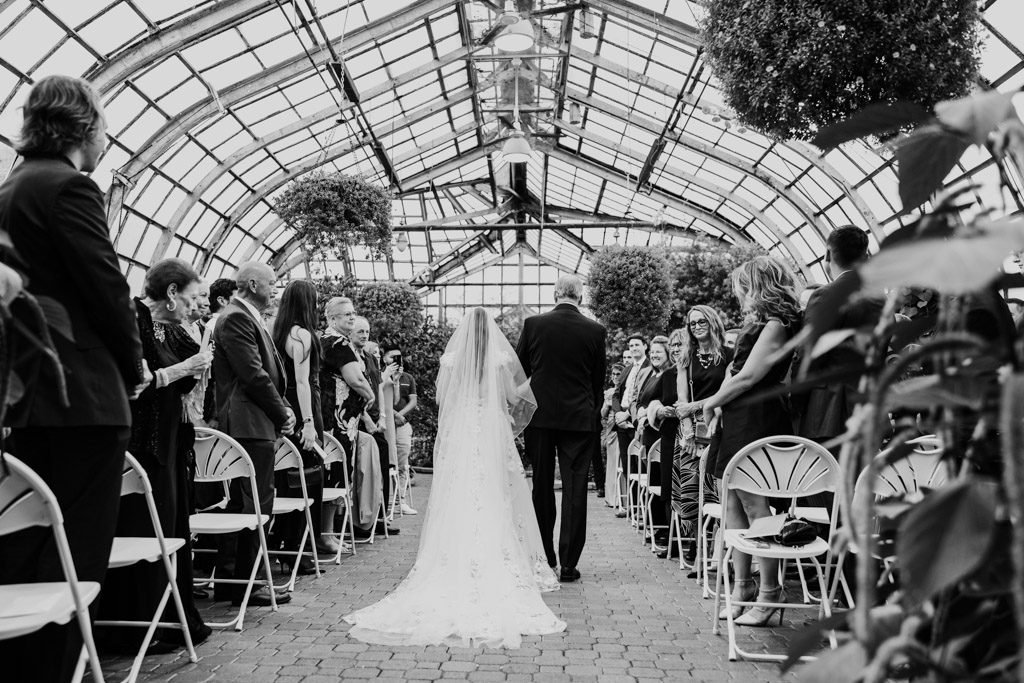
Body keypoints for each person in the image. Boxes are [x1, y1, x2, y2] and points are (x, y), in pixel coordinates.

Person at [0, 74, 151, 683]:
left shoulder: (10, 189)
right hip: (84, 399)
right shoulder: (70, 188)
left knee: (26, 541)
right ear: (85, 126)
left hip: (28, 394)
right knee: (74, 555)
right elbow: (107, 288)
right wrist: (134, 364)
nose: (108, 138)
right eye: (106, 125)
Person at [344, 307, 565, 647]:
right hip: (489, 435)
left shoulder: (452, 360)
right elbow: (512, 398)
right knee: (493, 495)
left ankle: (452, 560)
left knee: (459, 494)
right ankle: (494, 561)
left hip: (463, 433)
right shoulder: (498, 360)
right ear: (490, 332)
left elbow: (444, 399)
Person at [97, 258, 213, 652]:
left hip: (168, 441)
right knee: (146, 527)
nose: (196, 304)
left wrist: (191, 366)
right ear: (171, 293)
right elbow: (141, 383)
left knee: (171, 527)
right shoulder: (135, 318)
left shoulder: (170, 328)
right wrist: (187, 368)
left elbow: (183, 367)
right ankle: (136, 625)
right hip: (143, 444)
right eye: (192, 296)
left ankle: (170, 618)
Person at [689, 255, 803, 626]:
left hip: (758, 415)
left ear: (758, 285)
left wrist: (706, 403)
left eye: (743, 287)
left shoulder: (777, 323)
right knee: (732, 504)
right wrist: (719, 407)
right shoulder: (759, 323)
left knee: (757, 507)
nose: (740, 296)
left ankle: (770, 592)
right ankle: (742, 587)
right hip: (737, 417)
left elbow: (749, 377)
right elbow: (733, 374)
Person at [212, 261, 295, 606]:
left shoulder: (246, 316)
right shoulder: (235, 317)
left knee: (251, 502)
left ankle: (238, 582)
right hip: (248, 422)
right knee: (254, 504)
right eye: (271, 283)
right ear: (251, 284)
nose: (275, 288)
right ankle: (246, 583)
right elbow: (253, 375)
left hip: (256, 421)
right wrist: (282, 411)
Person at [516, 275, 607, 582]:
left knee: (541, 486)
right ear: (580, 297)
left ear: (555, 294)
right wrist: (591, 414)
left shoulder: (534, 325)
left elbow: (519, 373)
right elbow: (598, 382)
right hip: (579, 419)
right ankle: (568, 564)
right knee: (575, 490)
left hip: (539, 418)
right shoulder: (595, 330)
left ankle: (545, 558)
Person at [655, 309, 732, 563]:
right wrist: (687, 431)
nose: (697, 326)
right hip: (691, 431)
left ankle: (718, 549)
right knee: (692, 490)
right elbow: (681, 401)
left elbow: (729, 392)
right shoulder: (686, 358)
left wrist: (695, 406)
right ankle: (698, 548)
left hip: (721, 427)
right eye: (692, 323)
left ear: (712, 322)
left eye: (702, 321)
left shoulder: (729, 356)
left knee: (716, 490)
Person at [797, 226, 884, 444]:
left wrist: (795, 399)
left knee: (828, 476)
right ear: (865, 257)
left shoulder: (825, 295)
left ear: (827, 254)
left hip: (829, 412)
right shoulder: (880, 299)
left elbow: (809, 355)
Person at [271, 280, 334, 568]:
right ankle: (297, 549)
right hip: (304, 407)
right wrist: (309, 422)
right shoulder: (302, 335)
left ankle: (285, 544)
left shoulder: (278, 330)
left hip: (285, 406)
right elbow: (302, 382)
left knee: (289, 475)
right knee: (309, 476)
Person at [352, 317, 397, 531]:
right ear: (351, 333)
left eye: (367, 331)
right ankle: (365, 518)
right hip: (360, 421)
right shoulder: (350, 358)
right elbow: (352, 389)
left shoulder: (370, 358)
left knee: (384, 462)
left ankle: (381, 516)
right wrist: (366, 418)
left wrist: (383, 418)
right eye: (360, 331)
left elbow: (378, 387)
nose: (364, 334)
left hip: (376, 420)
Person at [633, 336, 672, 549]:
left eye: (659, 352)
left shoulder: (668, 375)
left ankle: (666, 530)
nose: (655, 355)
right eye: (653, 352)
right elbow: (641, 399)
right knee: (652, 480)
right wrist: (640, 411)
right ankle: (657, 526)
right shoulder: (651, 374)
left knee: (661, 481)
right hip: (647, 433)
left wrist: (648, 412)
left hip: (659, 433)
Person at [612, 335, 651, 507]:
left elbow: (643, 396)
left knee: (640, 466)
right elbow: (616, 394)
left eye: (637, 345)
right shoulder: (627, 369)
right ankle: (634, 507)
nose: (634, 348)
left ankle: (644, 507)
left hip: (636, 422)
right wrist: (618, 414)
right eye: (631, 345)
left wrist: (627, 414)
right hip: (621, 424)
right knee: (628, 467)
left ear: (645, 346)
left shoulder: (650, 367)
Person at [384, 347, 418, 515]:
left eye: (398, 357)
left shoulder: (408, 378)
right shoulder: (382, 377)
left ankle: (401, 500)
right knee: (388, 462)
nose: (396, 360)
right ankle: (386, 500)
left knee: (402, 462)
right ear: (384, 358)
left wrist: (400, 416)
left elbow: (412, 401)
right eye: (392, 357)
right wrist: (393, 414)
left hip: (402, 424)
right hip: (386, 423)